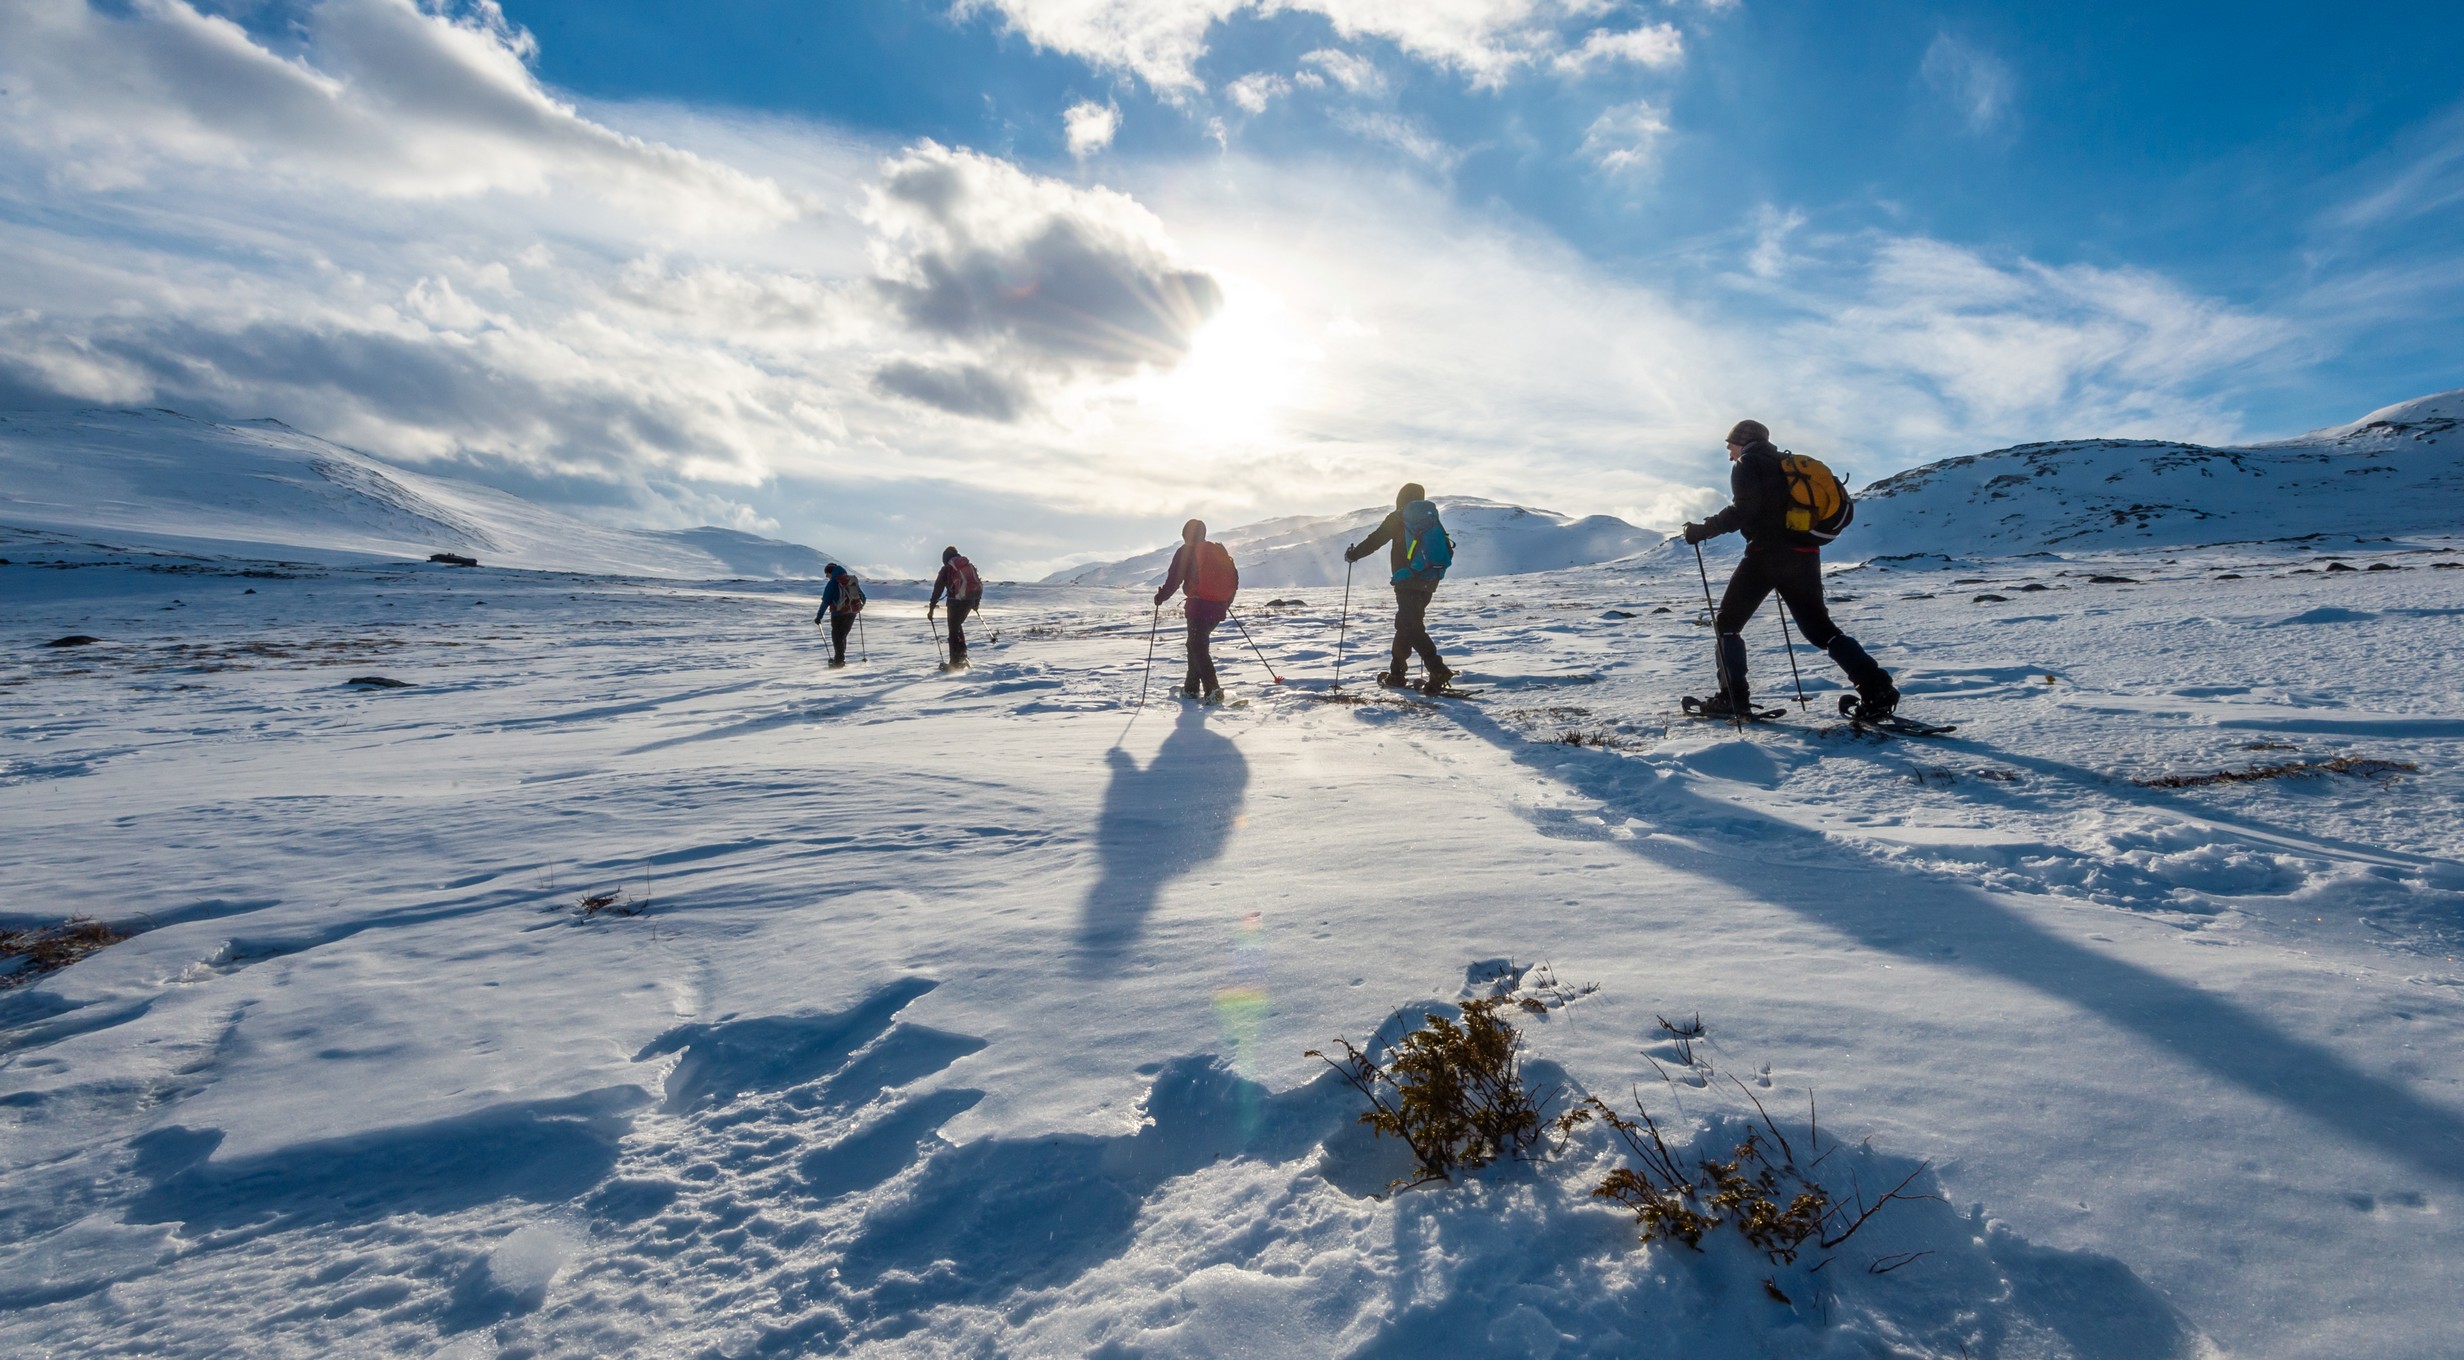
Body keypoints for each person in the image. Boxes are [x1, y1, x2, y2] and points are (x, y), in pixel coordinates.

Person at [1682, 419, 1898, 720]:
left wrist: (1701, 530)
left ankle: (1733, 698)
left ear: (1743, 441)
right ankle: (1877, 688)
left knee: (1728, 624)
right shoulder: (1787, 464)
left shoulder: (1747, 464)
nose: (1730, 454)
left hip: (1766, 555)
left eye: (1730, 446)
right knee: (1822, 630)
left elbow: (1743, 511)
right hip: (1804, 555)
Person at [1342, 482, 1455, 692]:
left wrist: (1353, 554)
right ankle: (1396, 673)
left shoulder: (1399, 517)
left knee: (1411, 626)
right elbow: (1447, 549)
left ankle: (1437, 669)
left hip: (1407, 580)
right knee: (1406, 625)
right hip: (1430, 580)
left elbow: (1376, 540)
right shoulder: (1431, 518)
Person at [1153, 518, 1237, 701]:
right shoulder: (1217, 551)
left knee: (1197, 646)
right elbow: (1233, 580)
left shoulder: (1186, 552)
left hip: (1199, 606)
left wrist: (1161, 597)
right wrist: (1223, 602)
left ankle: (1213, 689)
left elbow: (1174, 579)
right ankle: (1191, 688)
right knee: (1195, 645)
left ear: (1185, 535)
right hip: (1217, 607)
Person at [927, 545, 983, 668]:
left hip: (954, 602)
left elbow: (938, 589)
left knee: (953, 631)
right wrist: (976, 603)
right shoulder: (968, 566)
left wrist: (931, 608)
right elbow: (977, 583)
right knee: (957, 626)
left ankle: (955, 662)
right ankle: (962, 656)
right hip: (968, 601)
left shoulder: (947, 569)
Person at [813, 562, 864, 667]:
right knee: (842, 635)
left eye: (827, 574)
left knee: (837, 637)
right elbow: (863, 597)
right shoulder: (850, 581)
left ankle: (838, 662)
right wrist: (856, 607)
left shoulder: (833, 583)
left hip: (838, 613)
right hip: (852, 613)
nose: (827, 577)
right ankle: (840, 660)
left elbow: (826, 601)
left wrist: (819, 617)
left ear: (831, 572)